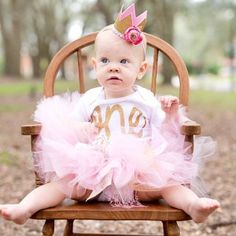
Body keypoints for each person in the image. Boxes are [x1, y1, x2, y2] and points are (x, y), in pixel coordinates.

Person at [0, 3, 219, 225]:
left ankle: (193, 206)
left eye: (124, 61)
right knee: (60, 185)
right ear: (95, 66)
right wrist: (80, 129)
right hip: (92, 174)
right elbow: (70, 125)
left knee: (170, 186)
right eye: (105, 61)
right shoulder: (91, 99)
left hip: (139, 177)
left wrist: (171, 114)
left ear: (141, 69)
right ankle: (24, 208)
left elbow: (167, 133)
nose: (113, 67)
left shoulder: (146, 100)